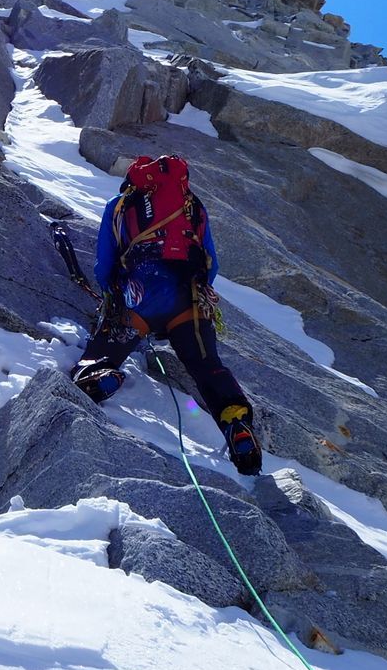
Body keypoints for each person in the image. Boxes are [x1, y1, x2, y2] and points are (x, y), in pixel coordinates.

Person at [70, 155, 263, 475]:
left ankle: (100, 374)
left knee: (101, 353)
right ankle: (236, 423)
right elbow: (211, 264)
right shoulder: (193, 207)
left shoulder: (120, 205)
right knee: (208, 368)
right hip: (189, 299)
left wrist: (112, 297)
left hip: (141, 294)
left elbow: (105, 265)